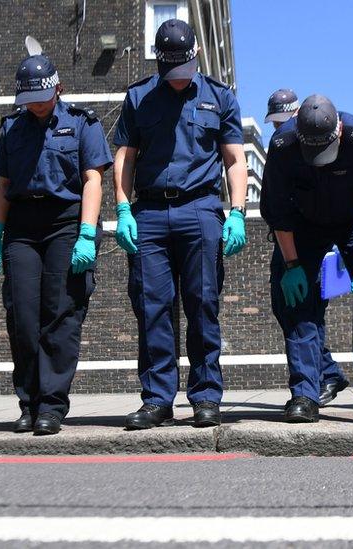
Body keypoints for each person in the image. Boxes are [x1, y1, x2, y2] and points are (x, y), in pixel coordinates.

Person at [112, 19, 248, 429]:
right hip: (150, 213)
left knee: (203, 304)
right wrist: (121, 209)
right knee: (152, 308)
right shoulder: (138, 97)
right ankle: (157, 398)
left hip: (201, 209)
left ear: (195, 56)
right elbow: (125, 157)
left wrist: (237, 211)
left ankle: (205, 396)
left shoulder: (219, 98)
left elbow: (235, 159)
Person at [0, 51, 112, 435]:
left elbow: (93, 179)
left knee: (61, 314)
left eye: (41, 98)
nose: (35, 107)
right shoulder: (12, 128)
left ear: (58, 88)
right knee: (22, 317)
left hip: (65, 223)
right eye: (28, 101)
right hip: (22, 227)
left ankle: (52, 406)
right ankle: (28, 402)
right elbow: (2, 186)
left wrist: (87, 232)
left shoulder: (82, 124)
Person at [260, 94, 353, 424]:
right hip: (305, 224)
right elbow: (278, 214)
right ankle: (306, 395)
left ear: (337, 130)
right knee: (296, 302)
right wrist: (292, 266)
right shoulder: (283, 145)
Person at [265, 88, 350, 406]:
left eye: (284, 119)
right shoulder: (282, 147)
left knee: (306, 310)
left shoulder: (316, 137)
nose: (280, 127)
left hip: (315, 240)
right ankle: (327, 371)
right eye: (276, 122)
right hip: (289, 240)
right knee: (288, 307)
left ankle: (321, 378)